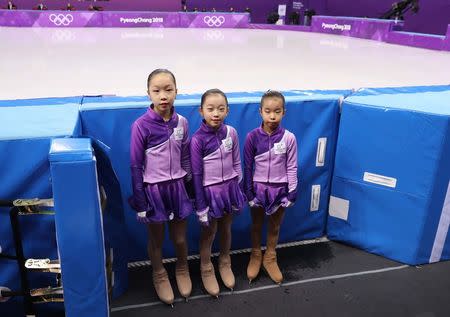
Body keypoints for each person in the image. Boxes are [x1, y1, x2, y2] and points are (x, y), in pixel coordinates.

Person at [129, 69, 193, 305]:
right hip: (153, 190)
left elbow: (186, 158)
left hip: (177, 188)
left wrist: (190, 189)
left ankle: (182, 267)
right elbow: (136, 165)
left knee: (179, 239)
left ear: (177, 91)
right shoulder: (141, 125)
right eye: (157, 91)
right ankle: (159, 273)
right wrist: (141, 200)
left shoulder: (183, 123)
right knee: (157, 240)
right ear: (148, 94)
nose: (163, 95)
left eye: (168, 89)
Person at [190, 89, 246, 296]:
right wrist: (201, 205)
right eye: (210, 109)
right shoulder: (197, 140)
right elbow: (196, 174)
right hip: (210, 192)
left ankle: (224, 260)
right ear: (201, 111)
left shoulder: (231, 133)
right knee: (209, 232)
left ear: (227, 111)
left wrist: (238, 188)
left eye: (221, 109)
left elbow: (237, 162)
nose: (216, 113)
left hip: (229, 189)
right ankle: (206, 267)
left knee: (226, 228)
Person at [244, 90, 298, 284]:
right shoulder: (252, 137)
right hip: (258, 188)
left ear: (284, 112)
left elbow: (291, 165)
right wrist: (249, 192)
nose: (272, 116)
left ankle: (270, 257)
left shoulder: (289, 138)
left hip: (279, 189)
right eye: (268, 111)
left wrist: (292, 191)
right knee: (256, 225)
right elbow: (247, 166)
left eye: (277, 111)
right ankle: (256, 255)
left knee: (274, 226)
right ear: (260, 112)